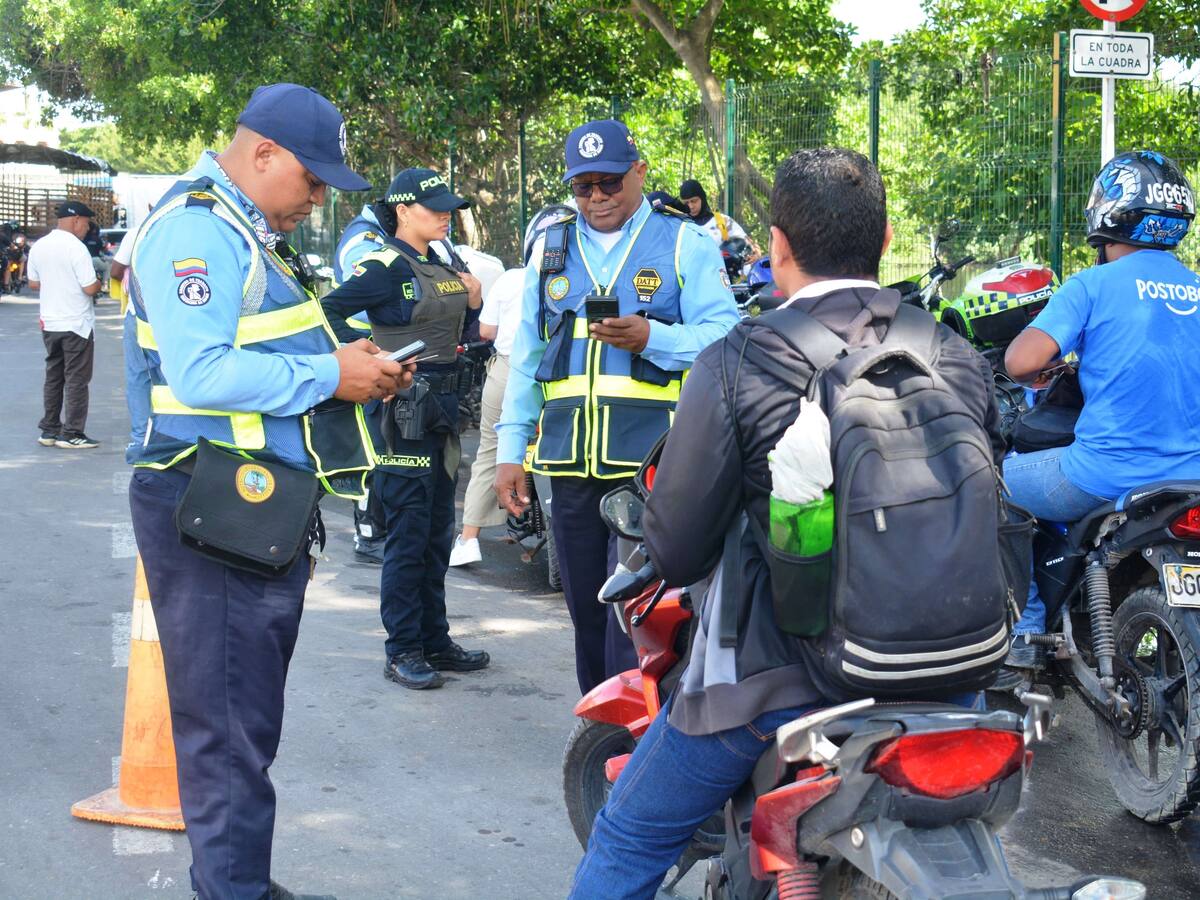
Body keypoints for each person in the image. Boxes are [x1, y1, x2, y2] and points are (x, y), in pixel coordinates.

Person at [569, 148, 1004, 899]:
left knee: (630, 833)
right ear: (886, 234)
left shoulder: (741, 359)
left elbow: (674, 547)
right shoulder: (953, 352)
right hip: (957, 679)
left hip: (781, 684)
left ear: (776, 245)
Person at [126, 82, 412, 900]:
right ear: (262, 153)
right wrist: (332, 373)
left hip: (248, 508)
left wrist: (349, 372)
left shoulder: (245, 230)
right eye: (311, 179)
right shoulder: (196, 232)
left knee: (243, 718)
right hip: (207, 505)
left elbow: (261, 348)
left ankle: (236, 880)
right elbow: (200, 369)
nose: (317, 198)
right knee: (225, 730)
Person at [494, 119, 739, 695]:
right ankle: (601, 726)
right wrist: (511, 451)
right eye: (583, 187)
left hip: (651, 464)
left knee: (634, 610)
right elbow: (527, 359)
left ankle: (636, 736)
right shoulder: (550, 250)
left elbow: (726, 335)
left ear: (639, 173)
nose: (597, 198)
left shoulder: (684, 242)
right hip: (568, 464)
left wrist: (654, 338)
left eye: (609, 182)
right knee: (584, 609)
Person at [1002, 150, 1200, 671]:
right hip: (1191, 480)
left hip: (1103, 474)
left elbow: (1021, 361)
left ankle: (1023, 630)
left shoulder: (1091, 286)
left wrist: (1053, 364)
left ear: (1107, 216)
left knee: (990, 483)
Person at [320, 167, 491, 690]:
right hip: (402, 414)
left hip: (442, 410)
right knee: (409, 535)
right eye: (434, 207)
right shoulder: (383, 266)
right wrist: (363, 356)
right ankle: (403, 649)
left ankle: (434, 640)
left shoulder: (439, 261)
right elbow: (325, 313)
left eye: (447, 206)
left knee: (438, 532)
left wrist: (476, 301)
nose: (446, 214)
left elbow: (462, 332)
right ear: (403, 211)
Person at [450, 263, 526, 566]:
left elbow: (486, 331)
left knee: (491, 449)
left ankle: (469, 538)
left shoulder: (511, 278)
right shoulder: (579, 275)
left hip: (509, 370)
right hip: (560, 371)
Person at [331, 200, 390, 562]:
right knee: (372, 450)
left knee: (380, 447)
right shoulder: (364, 242)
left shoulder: (373, 235)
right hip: (365, 355)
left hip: (374, 355)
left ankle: (374, 529)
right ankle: (369, 533)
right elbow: (368, 296)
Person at [27, 200, 102, 449]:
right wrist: (98, 283)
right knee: (77, 379)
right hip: (76, 324)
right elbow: (89, 287)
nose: (86, 228)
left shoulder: (39, 246)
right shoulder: (76, 248)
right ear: (76, 220)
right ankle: (72, 433)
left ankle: (49, 429)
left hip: (50, 322)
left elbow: (34, 284)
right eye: (87, 223)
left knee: (54, 377)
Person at [678, 178, 748, 245]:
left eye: (694, 201)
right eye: (686, 203)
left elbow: (748, 244)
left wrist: (754, 251)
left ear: (702, 198)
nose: (691, 206)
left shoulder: (722, 221)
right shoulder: (679, 225)